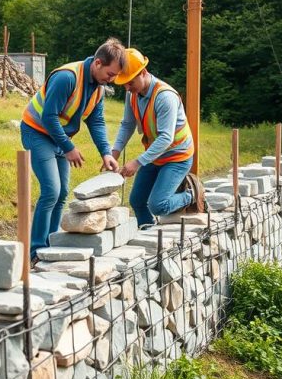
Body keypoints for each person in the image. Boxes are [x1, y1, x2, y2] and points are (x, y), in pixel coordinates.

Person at [20, 38, 125, 259]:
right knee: (51, 191)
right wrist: (68, 147)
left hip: (59, 138)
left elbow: (96, 122)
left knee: (62, 193)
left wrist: (106, 152)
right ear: (97, 63)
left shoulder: (98, 88)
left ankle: (51, 243)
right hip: (37, 131)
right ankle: (35, 251)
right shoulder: (67, 77)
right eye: (110, 74)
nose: (112, 80)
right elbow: (49, 116)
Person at [111, 48, 205, 227]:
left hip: (177, 156)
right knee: (137, 201)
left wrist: (137, 163)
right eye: (124, 84)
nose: (127, 88)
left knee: (158, 205)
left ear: (144, 72)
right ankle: (148, 232)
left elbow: (166, 138)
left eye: (130, 82)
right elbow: (127, 125)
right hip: (155, 155)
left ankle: (192, 193)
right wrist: (113, 153)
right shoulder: (132, 94)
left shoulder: (165, 97)